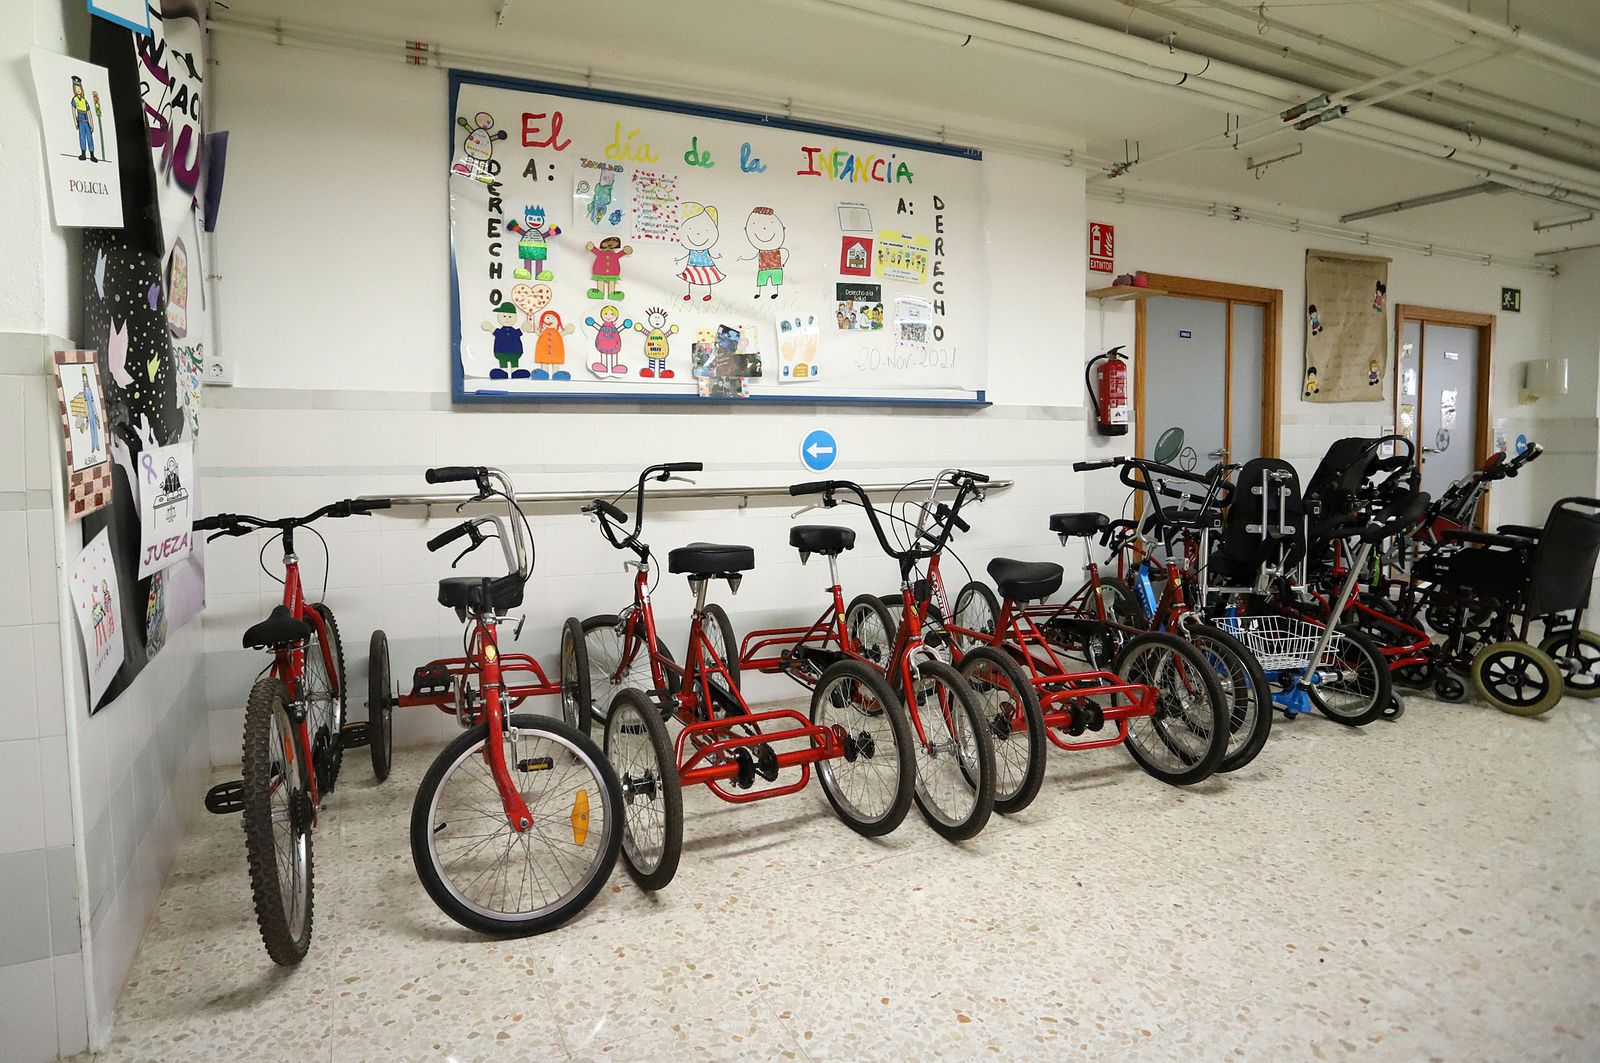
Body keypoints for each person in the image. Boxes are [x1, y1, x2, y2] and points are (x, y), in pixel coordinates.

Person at [674, 203, 725, 302]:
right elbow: (686, 255)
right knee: (691, 280)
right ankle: (689, 294)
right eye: (690, 229)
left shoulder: (706, 250)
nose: (698, 234)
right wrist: (678, 259)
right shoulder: (691, 250)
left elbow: (712, 256)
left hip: (707, 267)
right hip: (692, 267)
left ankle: (708, 294)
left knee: (708, 280)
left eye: (706, 230)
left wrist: (717, 257)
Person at [740, 206, 788, 299]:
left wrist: (784, 263)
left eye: (771, 224)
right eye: (754, 224)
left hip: (776, 268)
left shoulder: (777, 250)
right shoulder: (761, 251)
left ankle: (775, 292)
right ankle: (759, 293)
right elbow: (753, 256)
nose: (764, 229)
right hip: (763, 268)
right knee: (762, 281)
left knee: (776, 281)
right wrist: (744, 258)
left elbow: (786, 253)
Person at [71, 75, 97, 162]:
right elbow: (74, 112)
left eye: (79, 88)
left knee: (89, 138)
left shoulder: (84, 101)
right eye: (76, 88)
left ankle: (92, 155)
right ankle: (83, 154)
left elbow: (89, 113)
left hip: (87, 122)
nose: (78, 89)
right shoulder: (75, 100)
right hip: (80, 122)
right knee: (82, 137)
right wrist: (75, 123)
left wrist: (92, 125)